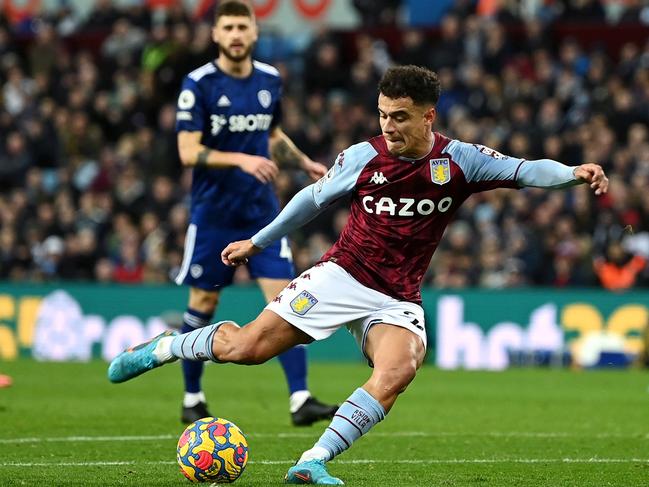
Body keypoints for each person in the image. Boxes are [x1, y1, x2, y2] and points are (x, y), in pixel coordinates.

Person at [109, 65, 609, 484]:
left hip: (397, 298)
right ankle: (164, 347)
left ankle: (312, 462)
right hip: (341, 277)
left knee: (400, 369)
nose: (388, 126)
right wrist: (258, 240)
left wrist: (571, 173)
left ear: (428, 116)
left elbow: (525, 170)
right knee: (246, 350)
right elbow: (310, 199)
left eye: (400, 117)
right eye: (382, 115)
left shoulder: (459, 161)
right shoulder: (363, 157)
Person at [172, 0, 336, 425]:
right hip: (213, 217)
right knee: (203, 301)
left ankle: (300, 400)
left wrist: (303, 162)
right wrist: (242, 161)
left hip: (262, 216)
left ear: (254, 33)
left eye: (242, 27)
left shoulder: (269, 79)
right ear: (215, 35)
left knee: (286, 303)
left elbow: (273, 135)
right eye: (227, 28)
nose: (236, 35)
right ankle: (192, 396)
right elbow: (187, 151)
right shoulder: (198, 84)